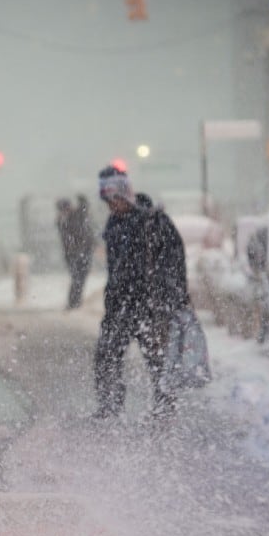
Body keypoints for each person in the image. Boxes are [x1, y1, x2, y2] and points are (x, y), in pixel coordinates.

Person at [92, 167, 190, 422]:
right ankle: (110, 406)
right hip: (120, 305)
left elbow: (175, 260)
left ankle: (164, 408)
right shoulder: (114, 224)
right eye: (106, 201)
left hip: (151, 304)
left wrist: (174, 297)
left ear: (125, 194)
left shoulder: (153, 221)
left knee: (157, 360)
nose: (110, 206)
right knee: (106, 354)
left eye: (113, 199)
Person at [56, 195, 96, 309]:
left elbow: (84, 206)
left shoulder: (76, 216)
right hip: (73, 254)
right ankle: (73, 302)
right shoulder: (63, 221)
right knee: (77, 278)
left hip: (84, 251)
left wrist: (81, 198)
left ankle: (76, 301)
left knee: (81, 277)